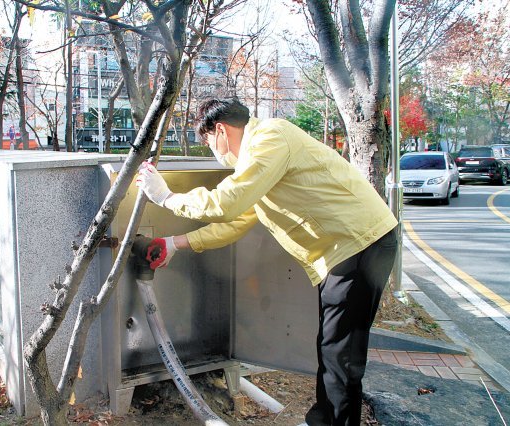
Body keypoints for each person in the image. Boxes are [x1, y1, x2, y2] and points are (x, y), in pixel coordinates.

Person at [136, 98, 398, 426]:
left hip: (359, 245)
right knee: (332, 349)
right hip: (347, 249)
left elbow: (226, 203)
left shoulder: (270, 138)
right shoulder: (260, 160)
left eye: (207, 142)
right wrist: (175, 243)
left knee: (340, 355)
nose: (212, 151)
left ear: (219, 130)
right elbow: (235, 221)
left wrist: (166, 197)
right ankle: (324, 420)